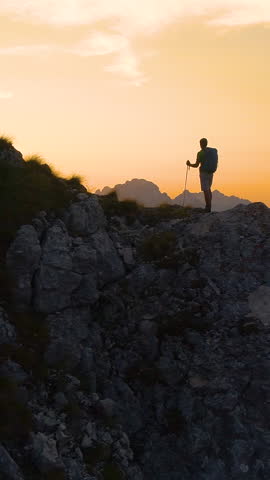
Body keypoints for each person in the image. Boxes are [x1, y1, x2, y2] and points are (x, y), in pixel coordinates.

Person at [186, 138, 217, 213]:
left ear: (200, 144)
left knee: (205, 190)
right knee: (209, 189)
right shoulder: (211, 151)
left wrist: (189, 164)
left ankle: (208, 207)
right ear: (206, 143)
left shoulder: (200, 153)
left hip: (204, 173)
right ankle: (209, 206)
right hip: (211, 172)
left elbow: (196, 165)